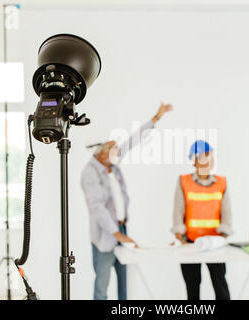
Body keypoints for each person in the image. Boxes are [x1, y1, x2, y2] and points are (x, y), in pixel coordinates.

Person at [81, 102, 172, 300]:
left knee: (125, 286)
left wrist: (155, 118)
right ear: (101, 151)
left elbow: (132, 141)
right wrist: (116, 234)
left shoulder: (111, 164)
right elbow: (96, 208)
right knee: (101, 288)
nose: (117, 150)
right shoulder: (90, 173)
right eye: (113, 147)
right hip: (106, 237)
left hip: (122, 230)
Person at [172, 140, 233, 300]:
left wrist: (223, 237)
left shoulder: (221, 183)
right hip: (190, 243)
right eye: (205, 156)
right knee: (192, 287)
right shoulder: (184, 182)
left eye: (211, 156)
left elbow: (227, 213)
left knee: (220, 285)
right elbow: (178, 211)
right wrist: (179, 238)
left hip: (214, 244)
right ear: (196, 160)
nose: (209, 160)